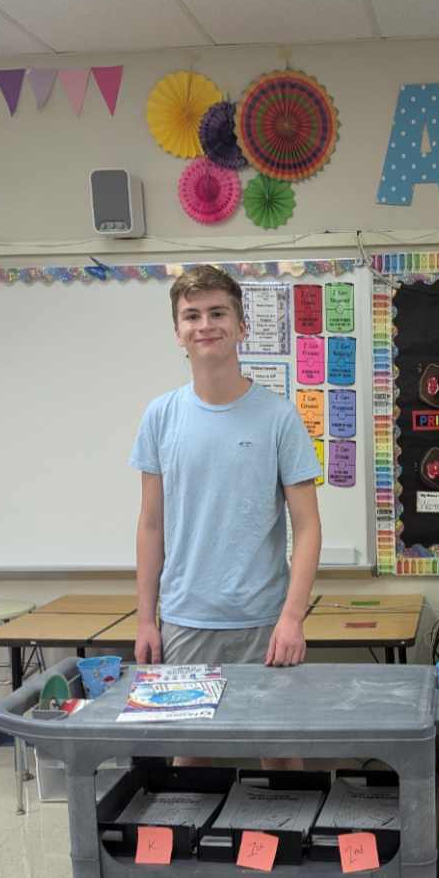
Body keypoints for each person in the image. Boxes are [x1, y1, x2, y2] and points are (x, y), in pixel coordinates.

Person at [129, 263, 323, 680]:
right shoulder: (160, 416)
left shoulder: (280, 418)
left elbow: (307, 526)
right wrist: (146, 619)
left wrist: (293, 618)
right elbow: (150, 525)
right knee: (189, 727)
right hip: (185, 620)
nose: (205, 325)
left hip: (266, 622)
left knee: (273, 727)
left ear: (241, 327)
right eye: (192, 315)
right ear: (178, 332)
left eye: (217, 313)